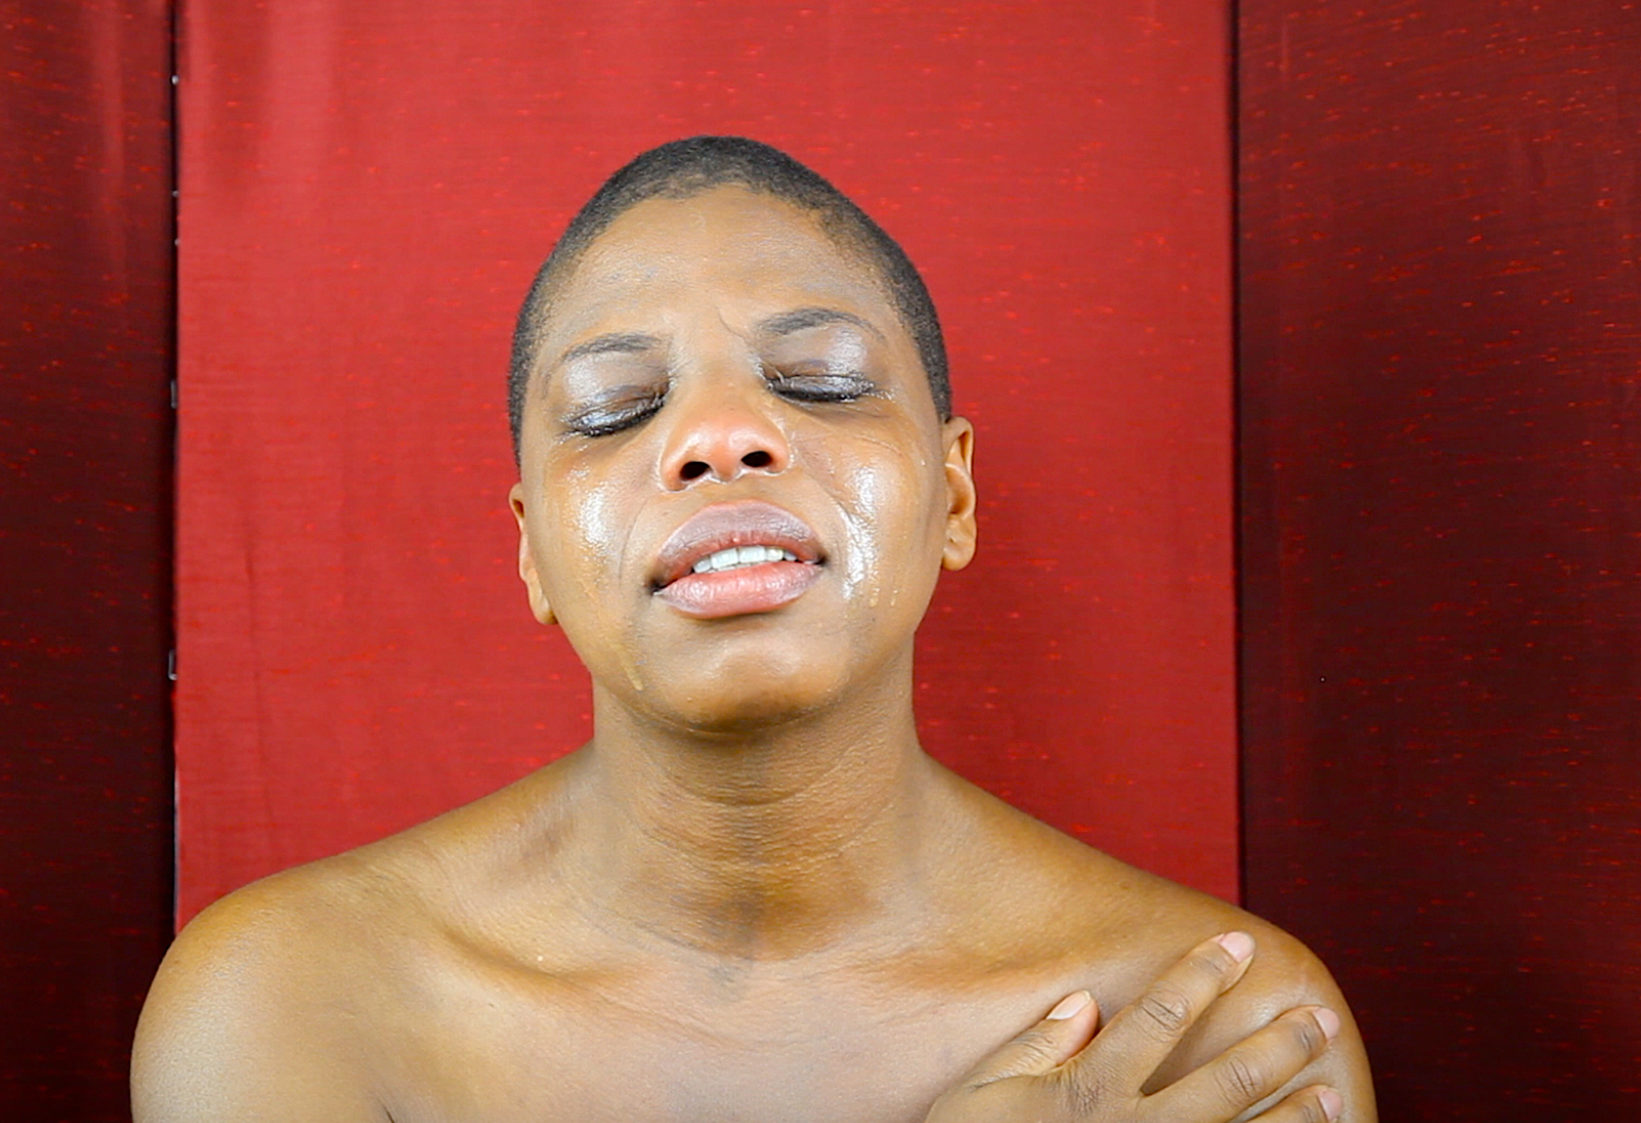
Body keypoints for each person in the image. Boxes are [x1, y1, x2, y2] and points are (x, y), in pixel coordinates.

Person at [132, 136, 1376, 1122]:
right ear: (531, 552)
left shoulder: (1213, 1028)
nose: (718, 436)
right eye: (614, 408)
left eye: (819, 381)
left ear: (952, 496)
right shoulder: (295, 1004)